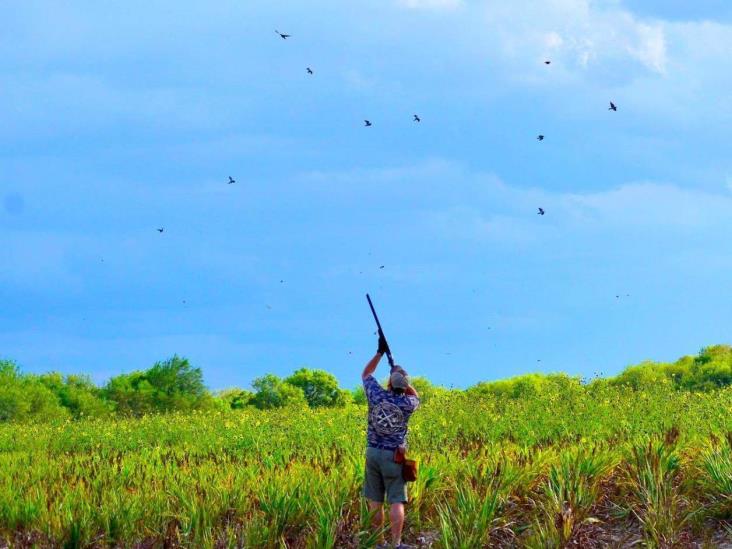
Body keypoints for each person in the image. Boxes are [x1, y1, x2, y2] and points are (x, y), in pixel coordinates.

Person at [361, 334, 420, 549]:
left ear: (388, 383)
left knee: (375, 501)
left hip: (373, 453)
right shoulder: (408, 404)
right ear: (404, 387)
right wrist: (402, 377)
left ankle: (379, 543)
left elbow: (366, 374)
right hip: (394, 456)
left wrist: (379, 353)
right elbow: (415, 395)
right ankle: (395, 544)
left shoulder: (376, 395)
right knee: (396, 500)